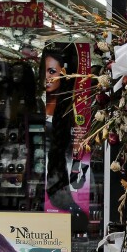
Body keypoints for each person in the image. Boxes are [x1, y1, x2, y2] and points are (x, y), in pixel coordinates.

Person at [42, 44, 89, 231]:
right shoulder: (58, 101)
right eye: (47, 71)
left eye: (52, 71)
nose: (48, 77)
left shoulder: (65, 102)